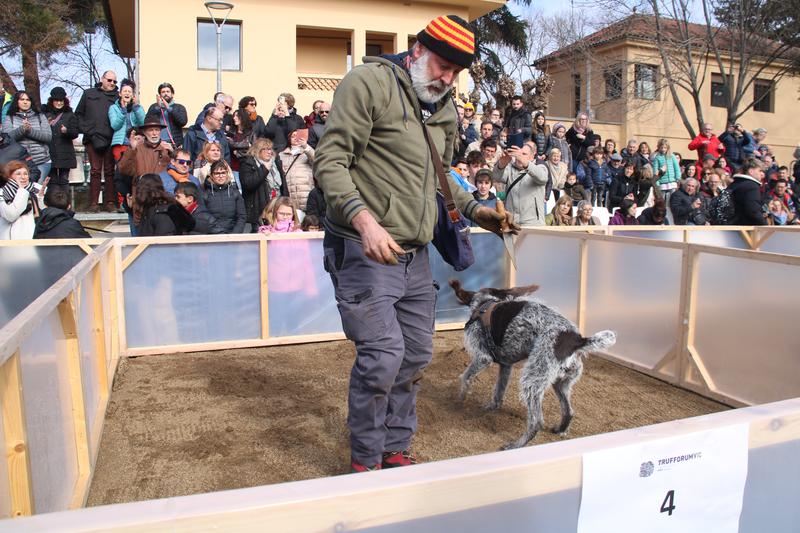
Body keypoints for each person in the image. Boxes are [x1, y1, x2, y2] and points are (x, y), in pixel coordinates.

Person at [313, 14, 512, 473]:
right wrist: (365, 222)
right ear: (418, 51)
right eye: (443, 66)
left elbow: (441, 182)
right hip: (365, 250)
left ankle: (394, 447)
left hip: (415, 258)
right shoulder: (368, 83)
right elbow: (331, 161)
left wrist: (479, 211)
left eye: (456, 72)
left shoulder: (441, 108)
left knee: (416, 353)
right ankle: (365, 459)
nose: (448, 79)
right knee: (383, 357)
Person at [75, 71, 119, 212]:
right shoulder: (88, 94)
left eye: (114, 82)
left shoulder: (117, 97)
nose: (112, 83)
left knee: (110, 171)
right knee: (94, 171)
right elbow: (78, 115)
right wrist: (88, 130)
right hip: (92, 139)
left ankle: (111, 203)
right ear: (102, 79)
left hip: (110, 139)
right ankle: (94, 204)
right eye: (109, 80)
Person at [2, 90, 52, 183]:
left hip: (41, 161)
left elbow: (48, 137)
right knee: (21, 193)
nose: (25, 102)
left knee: (36, 191)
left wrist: (30, 131)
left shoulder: (40, 116)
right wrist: (22, 130)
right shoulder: (10, 117)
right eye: (22, 99)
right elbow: (7, 139)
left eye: (28, 100)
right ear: (17, 101)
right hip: (19, 163)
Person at [493, 143, 548, 225]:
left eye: (524, 154)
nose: (519, 156)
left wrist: (525, 163)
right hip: (512, 223)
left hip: (533, 223)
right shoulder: (509, 169)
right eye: (518, 154)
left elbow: (542, 177)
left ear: (532, 156)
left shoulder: (540, 167)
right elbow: (496, 176)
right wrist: (501, 164)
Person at [239, 138, 286, 231]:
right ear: (257, 151)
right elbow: (248, 184)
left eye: (270, 149)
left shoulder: (275, 163)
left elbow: (283, 186)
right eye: (266, 149)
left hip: (276, 207)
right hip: (258, 211)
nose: (269, 152)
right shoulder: (248, 163)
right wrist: (264, 169)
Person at [117, 114, 173, 180]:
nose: (154, 133)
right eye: (151, 130)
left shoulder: (167, 149)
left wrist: (173, 153)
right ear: (144, 132)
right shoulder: (136, 149)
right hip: (142, 188)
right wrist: (131, 149)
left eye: (157, 130)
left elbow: (180, 169)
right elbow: (124, 170)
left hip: (161, 189)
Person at [43, 87, 79, 186]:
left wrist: (66, 131)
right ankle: (53, 201)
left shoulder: (70, 114)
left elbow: (75, 133)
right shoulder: (45, 114)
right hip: (50, 152)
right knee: (52, 181)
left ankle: (65, 201)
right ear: (52, 101)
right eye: (56, 101)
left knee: (64, 181)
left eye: (61, 101)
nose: (59, 103)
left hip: (65, 153)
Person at [1, 160, 43, 239]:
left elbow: (44, 214)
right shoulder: (3, 192)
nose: (23, 177)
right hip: (8, 238)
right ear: (9, 176)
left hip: (32, 236)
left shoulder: (36, 189)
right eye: (18, 174)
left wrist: (41, 198)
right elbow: (11, 215)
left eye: (25, 174)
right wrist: (21, 191)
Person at [204, 160, 246, 233]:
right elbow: (203, 217)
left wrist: (235, 234)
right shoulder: (205, 194)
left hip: (233, 237)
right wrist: (217, 234)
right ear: (211, 175)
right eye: (217, 173)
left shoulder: (235, 193)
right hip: (212, 236)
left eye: (223, 173)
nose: (220, 176)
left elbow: (241, 216)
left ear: (227, 174)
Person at [108, 79, 145, 161]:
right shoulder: (113, 108)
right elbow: (115, 125)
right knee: (121, 170)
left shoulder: (138, 108)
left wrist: (136, 107)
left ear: (132, 95)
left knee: (135, 170)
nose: (127, 93)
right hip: (121, 144)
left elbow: (143, 123)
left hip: (136, 144)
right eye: (125, 91)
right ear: (120, 94)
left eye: (129, 91)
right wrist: (123, 111)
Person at [279, 128, 315, 213]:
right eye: (293, 136)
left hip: (306, 193)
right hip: (289, 194)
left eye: (297, 136)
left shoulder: (307, 152)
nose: (295, 138)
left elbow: (316, 160)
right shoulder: (281, 155)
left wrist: (306, 147)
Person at [147, 82, 188, 148]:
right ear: (160, 95)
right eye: (163, 92)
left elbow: (183, 122)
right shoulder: (154, 107)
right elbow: (147, 122)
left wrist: (169, 109)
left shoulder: (179, 107)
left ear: (172, 94)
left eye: (168, 91)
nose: (165, 94)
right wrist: (158, 108)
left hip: (174, 144)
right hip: (157, 144)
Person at [727, 159, 767, 225]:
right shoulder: (752, 186)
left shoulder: (734, 184)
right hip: (742, 230)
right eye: (760, 171)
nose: (762, 174)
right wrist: (765, 226)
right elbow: (753, 211)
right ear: (751, 171)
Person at [652, 138, 681, 203]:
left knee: (672, 200)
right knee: (662, 201)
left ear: (667, 148)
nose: (663, 149)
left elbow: (676, 168)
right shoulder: (657, 158)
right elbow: (655, 171)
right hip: (662, 183)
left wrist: (677, 178)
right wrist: (657, 183)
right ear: (659, 147)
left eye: (665, 148)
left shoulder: (672, 156)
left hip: (672, 182)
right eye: (661, 147)